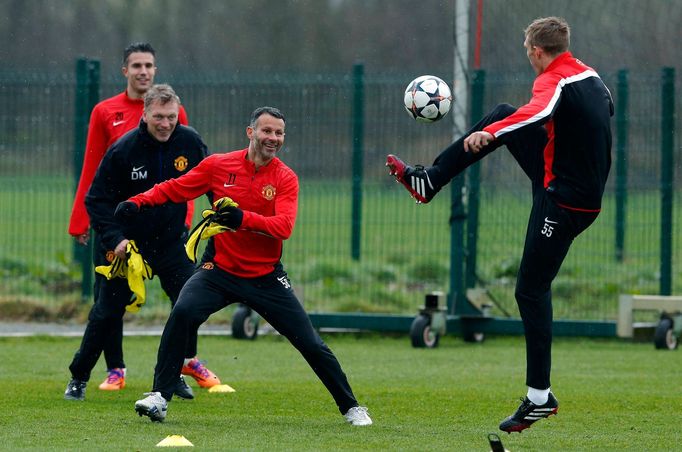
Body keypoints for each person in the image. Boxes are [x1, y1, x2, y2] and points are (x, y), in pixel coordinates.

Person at [386, 17, 612, 433]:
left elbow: (540, 110)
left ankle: (539, 398)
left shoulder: (554, 82)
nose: (528, 56)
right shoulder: (591, 76)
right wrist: (505, 128)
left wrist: (490, 134)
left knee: (530, 289)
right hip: (567, 186)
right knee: (503, 112)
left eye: (528, 50)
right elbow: (584, 123)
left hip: (565, 203)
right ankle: (431, 179)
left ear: (538, 52)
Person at [116, 106, 372, 426]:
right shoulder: (218, 166)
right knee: (183, 312)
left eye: (279, 133)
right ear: (250, 132)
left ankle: (352, 407)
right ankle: (159, 396)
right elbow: (175, 188)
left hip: (265, 276)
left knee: (310, 342)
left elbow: (284, 227)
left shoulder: (285, 178)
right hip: (219, 270)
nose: (273, 138)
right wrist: (137, 202)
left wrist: (241, 219)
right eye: (267, 131)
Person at [67, 42, 215, 391]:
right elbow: (97, 197)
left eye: (171, 117)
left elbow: (210, 179)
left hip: (168, 239)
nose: (165, 124)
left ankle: (175, 372)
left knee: (189, 301)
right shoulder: (122, 149)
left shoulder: (189, 141)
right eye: (158, 117)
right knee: (106, 312)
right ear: (144, 115)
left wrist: (220, 213)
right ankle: (79, 377)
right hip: (127, 244)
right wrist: (114, 238)